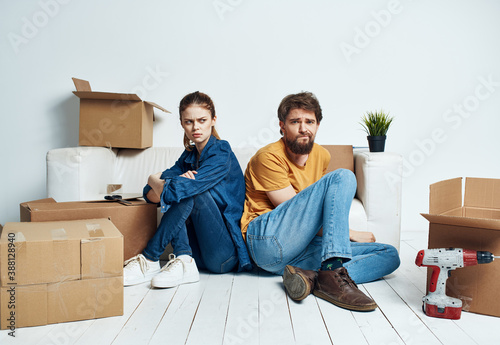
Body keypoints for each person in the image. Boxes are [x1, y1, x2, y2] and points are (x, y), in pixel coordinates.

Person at [240, 92, 400, 311]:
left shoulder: (321, 155)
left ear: (317, 126)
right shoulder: (267, 156)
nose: (303, 128)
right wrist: (350, 234)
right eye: (295, 122)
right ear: (282, 126)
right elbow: (295, 215)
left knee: (389, 255)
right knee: (343, 176)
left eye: (309, 122)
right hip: (266, 241)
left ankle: (316, 278)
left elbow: (314, 216)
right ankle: (332, 269)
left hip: (299, 250)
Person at [123, 91, 252, 288]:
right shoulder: (188, 156)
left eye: (202, 120)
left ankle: (149, 258)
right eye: (189, 122)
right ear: (182, 123)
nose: (196, 127)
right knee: (182, 190)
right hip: (195, 252)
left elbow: (170, 190)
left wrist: (161, 181)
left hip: (224, 255)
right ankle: (184, 260)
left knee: (191, 192)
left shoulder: (221, 152)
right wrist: (153, 179)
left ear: (213, 120)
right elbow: (149, 194)